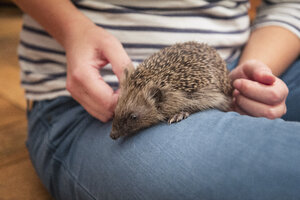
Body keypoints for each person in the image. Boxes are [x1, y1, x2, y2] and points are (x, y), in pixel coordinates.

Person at [12, 0, 300, 199]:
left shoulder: (169, 97)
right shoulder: (142, 101)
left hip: (246, 62)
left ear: (161, 101)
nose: (117, 134)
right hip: (80, 102)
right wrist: (74, 31)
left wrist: (254, 79)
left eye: (131, 119)